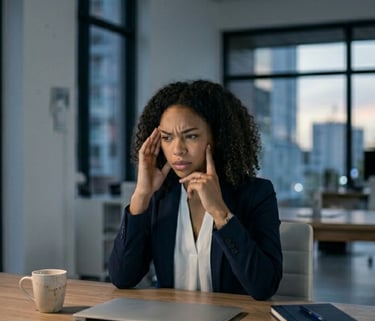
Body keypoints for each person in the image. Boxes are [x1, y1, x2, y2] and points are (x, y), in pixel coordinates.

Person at [109, 79, 282, 300]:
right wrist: (141, 196)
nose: (178, 149)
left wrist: (221, 213)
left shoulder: (256, 194)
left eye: (191, 136)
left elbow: (264, 286)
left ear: (217, 137)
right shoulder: (159, 196)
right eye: (167, 137)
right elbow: (122, 277)